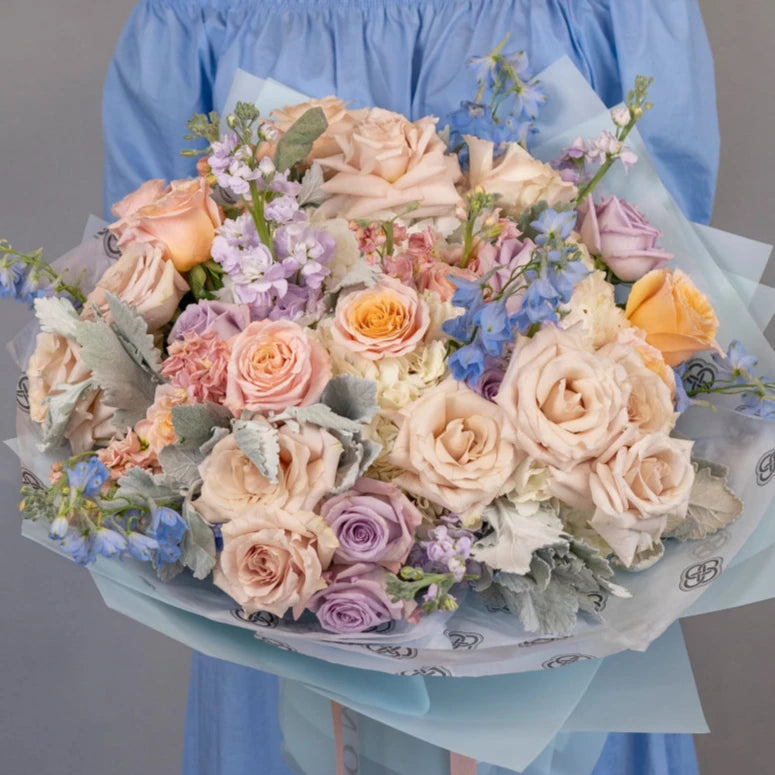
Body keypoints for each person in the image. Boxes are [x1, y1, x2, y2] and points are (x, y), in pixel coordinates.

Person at [102, 1, 718, 772]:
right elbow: (141, 324)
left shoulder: (610, 17)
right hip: (281, 588)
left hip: (551, 626)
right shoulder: (200, 21)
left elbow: (667, 315)